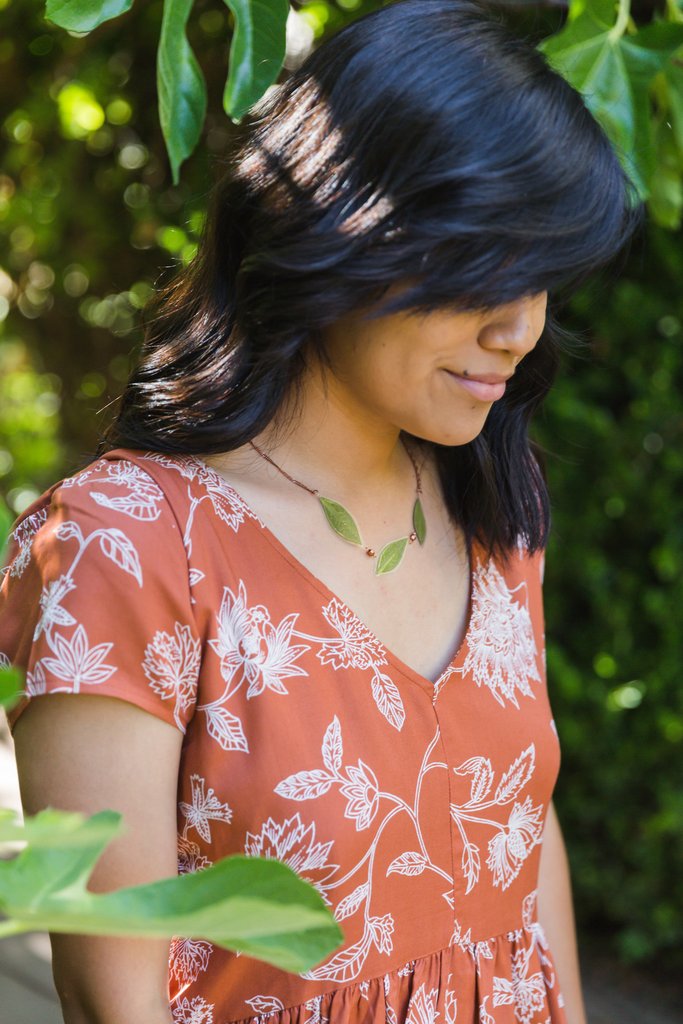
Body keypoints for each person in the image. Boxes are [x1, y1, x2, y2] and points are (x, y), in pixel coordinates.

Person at [0, 1, 643, 1022]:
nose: (519, 327)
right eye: (482, 264)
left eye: (541, 276)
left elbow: (524, 832)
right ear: (342, 223)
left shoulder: (489, 504)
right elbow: (113, 995)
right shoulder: (127, 545)